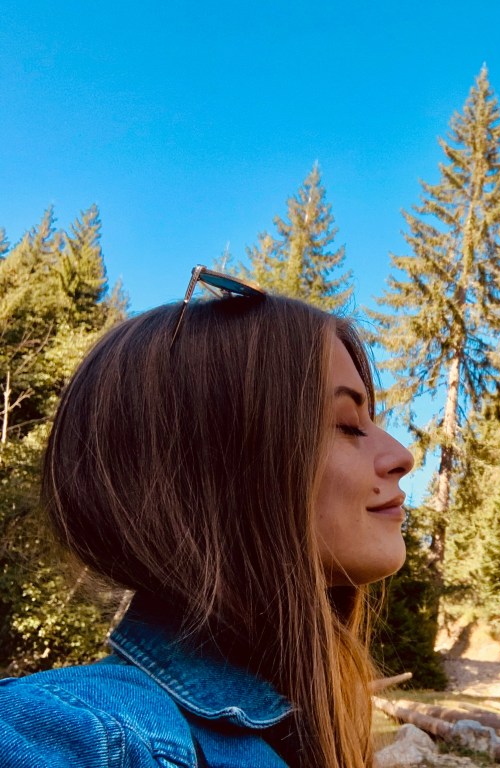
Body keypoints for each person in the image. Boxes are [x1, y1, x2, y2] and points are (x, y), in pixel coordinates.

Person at [0, 266, 414, 767]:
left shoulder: (305, 726)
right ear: (213, 468)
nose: (402, 456)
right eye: (347, 425)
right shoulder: (89, 735)